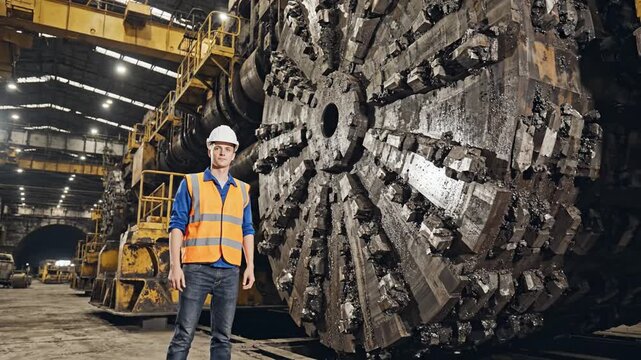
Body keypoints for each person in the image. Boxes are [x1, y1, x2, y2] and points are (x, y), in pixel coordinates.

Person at [166, 125, 255, 360]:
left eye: (227, 149)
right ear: (210, 151)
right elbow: (176, 226)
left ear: (234, 154)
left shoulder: (243, 191)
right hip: (196, 269)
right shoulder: (191, 183)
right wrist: (175, 266)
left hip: (229, 271)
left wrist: (251, 267)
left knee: (223, 337)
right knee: (184, 333)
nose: (223, 153)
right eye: (218, 148)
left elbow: (247, 230)